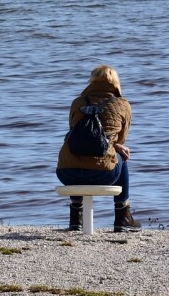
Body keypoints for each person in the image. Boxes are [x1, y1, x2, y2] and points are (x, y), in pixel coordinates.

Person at [56, 65, 141, 233]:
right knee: (121, 155)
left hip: (67, 173)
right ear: (115, 83)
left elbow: (77, 136)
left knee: (78, 154)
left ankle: (75, 218)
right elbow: (121, 139)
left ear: (91, 81)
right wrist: (114, 144)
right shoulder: (122, 104)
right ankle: (122, 215)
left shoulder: (78, 102)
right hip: (103, 174)